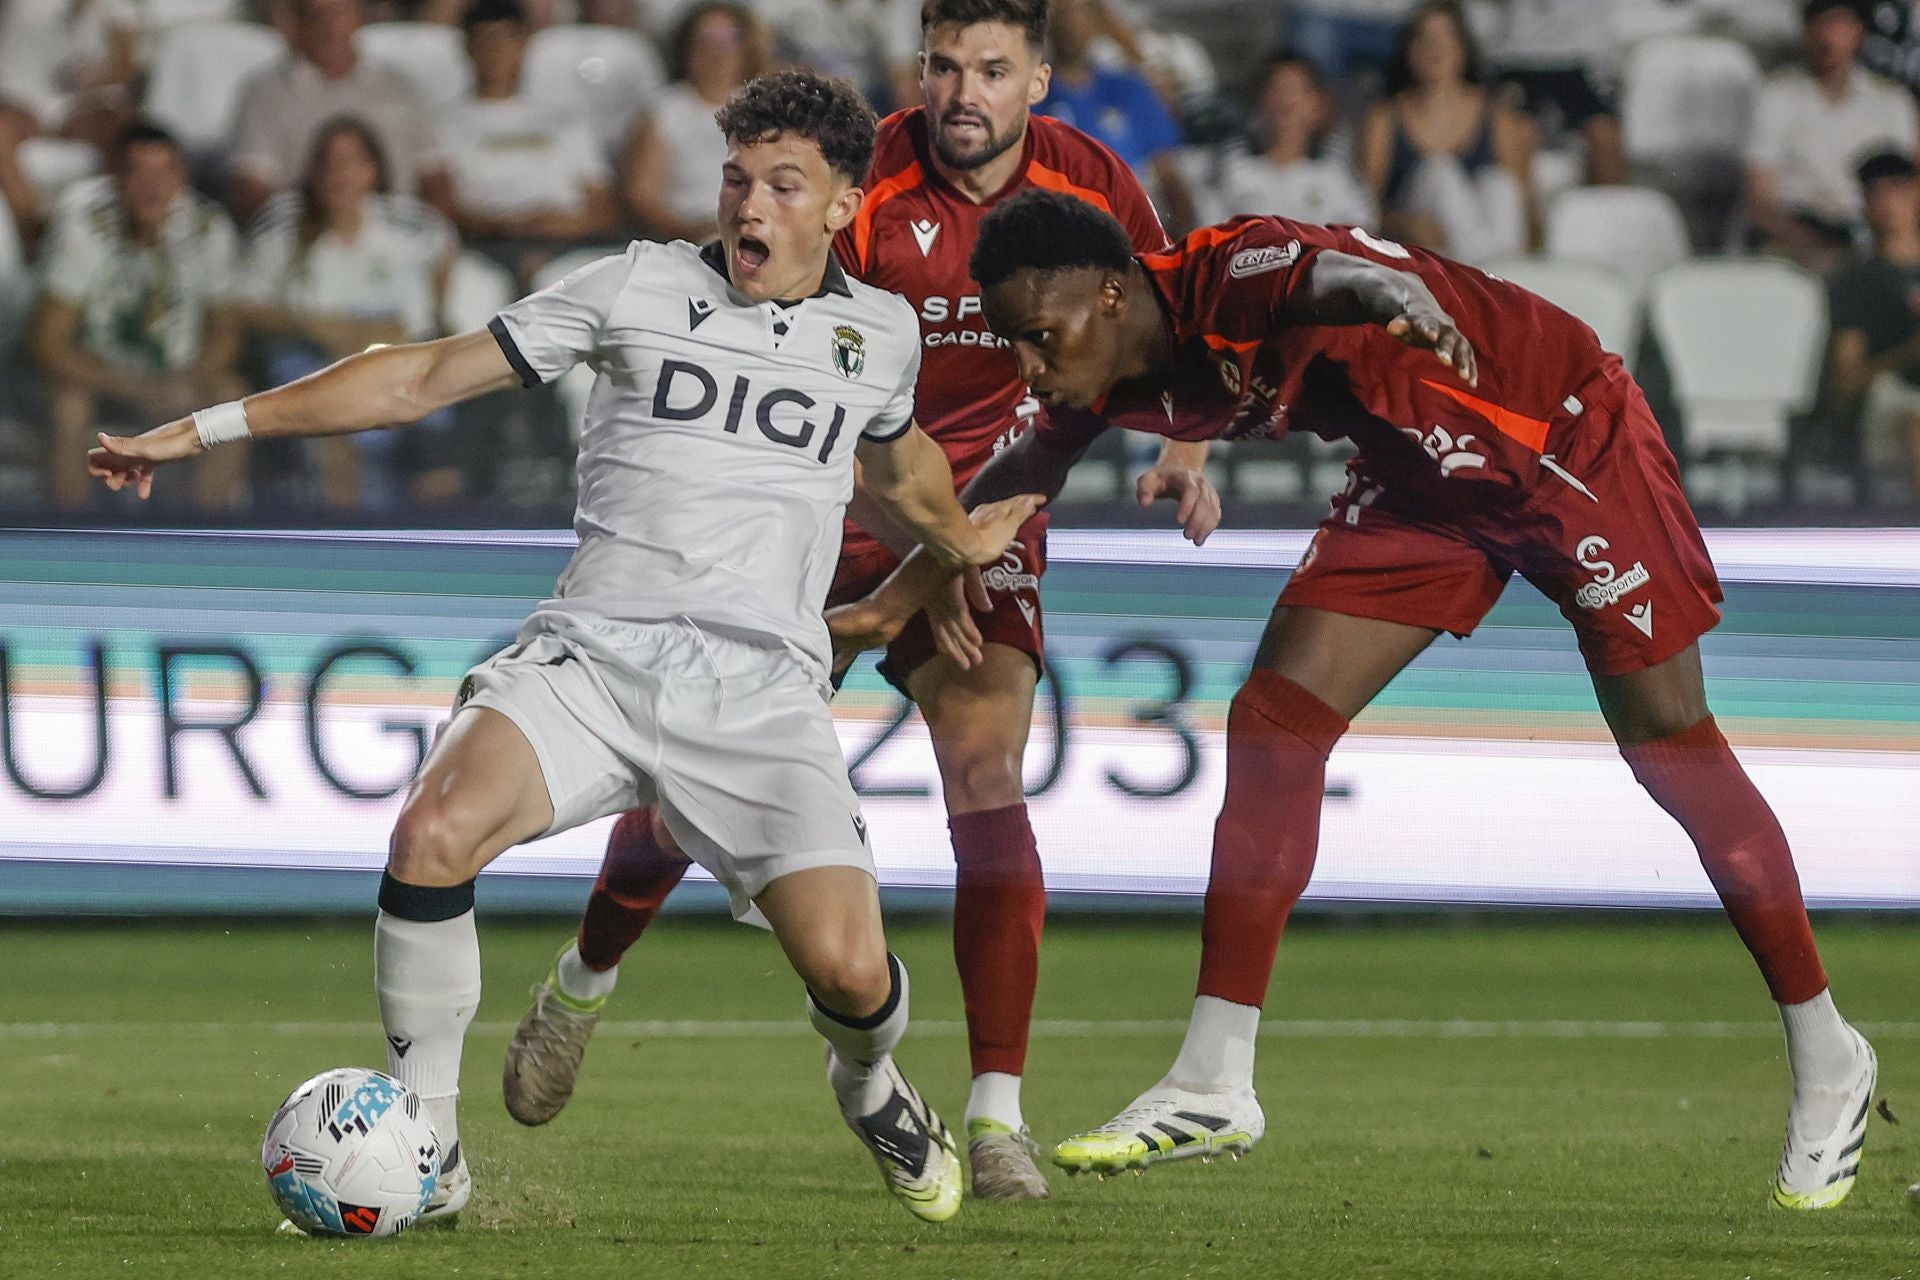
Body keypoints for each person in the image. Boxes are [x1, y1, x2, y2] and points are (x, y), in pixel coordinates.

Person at [88, 69, 1047, 1225]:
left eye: (782, 185)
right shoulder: (637, 284)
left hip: (758, 693)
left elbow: (898, 475)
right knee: (433, 830)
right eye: (736, 178)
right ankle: (431, 1148)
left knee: (851, 973)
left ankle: (869, 1080)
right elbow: (420, 376)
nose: (749, 205)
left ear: (844, 204)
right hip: (593, 656)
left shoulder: (878, 335)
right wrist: (201, 429)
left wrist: (953, 545)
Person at [840, 188, 1879, 1209]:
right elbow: (1022, 470)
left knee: (1670, 746)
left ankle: (1829, 1051)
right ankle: (1214, 1078)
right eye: (1014, 341)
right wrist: (896, 605)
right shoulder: (1105, 380)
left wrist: (1388, 288)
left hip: (1560, 438)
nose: (1027, 364)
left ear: (1111, 295)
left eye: (1038, 336)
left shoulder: (1224, 272)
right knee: (1275, 720)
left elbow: (1320, 273)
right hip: (1423, 482)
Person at [498, 0, 1216, 1203]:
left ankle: (997, 1119)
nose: (961, 91)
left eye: (991, 67)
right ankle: (582, 981)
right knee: (687, 792)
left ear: (1041, 75)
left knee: (987, 768)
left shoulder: (1096, 186)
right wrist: (898, 539)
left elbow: (1156, 328)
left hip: (983, 514)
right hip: (821, 504)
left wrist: (1182, 451)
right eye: (942, 65)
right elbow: (773, 343)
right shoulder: (860, 182)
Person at [237, 117, 462, 511]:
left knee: (435, 419)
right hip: (311, 362)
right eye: (328, 163)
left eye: (349, 162)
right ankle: (342, 544)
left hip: (397, 359)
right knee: (329, 412)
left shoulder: (406, 231)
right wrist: (316, 327)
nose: (337, 174)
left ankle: (436, 550)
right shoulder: (283, 231)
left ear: (371, 171)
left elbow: (424, 307)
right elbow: (245, 307)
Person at [31, 121, 244, 512]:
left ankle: (204, 540)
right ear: (116, 177)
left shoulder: (209, 229)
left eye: (166, 171)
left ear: (183, 179)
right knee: (68, 405)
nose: (153, 185)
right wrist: (133, 387)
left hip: (181, 381)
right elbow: (48, 343)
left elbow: (226, 334)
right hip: (98, 380)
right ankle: (70, 539)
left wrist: (183, 381)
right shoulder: (82, 226)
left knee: (229, 398)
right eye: (138, 172)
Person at [435, 0, 620, 272]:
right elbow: (441, 209)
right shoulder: (445, 123)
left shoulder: (566, 119)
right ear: (466, 47)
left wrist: (565, 226)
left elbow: (603, 207)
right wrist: (512, 226)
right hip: (487, 248)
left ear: (524, 45)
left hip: (569, 244)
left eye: (507, 39)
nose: (497, 50)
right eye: (486, 40)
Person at [228, 0, 450, 224]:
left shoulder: (399, 86)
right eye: (316, 14)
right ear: (295, 21)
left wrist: (427, 236)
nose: (330, 25)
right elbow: (251, 187)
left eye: (340, 12)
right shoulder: (265, 93)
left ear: (361, 16)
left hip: (400, 237)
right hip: (305, 240)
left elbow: (434, 175)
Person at [1748, 0, 1919, 275]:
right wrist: (1813, 245)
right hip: (1801, 234)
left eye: (1839, 25)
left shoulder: (1891, 100)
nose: (1828, 37)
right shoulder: (1778, 96)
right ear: (1805, 33)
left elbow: (1910, 188)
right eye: (1820, 26)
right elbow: (1760, 200)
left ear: (1859, 32)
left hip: (1873, 234)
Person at [1356, 0, 1533, 265]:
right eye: (1424, 38)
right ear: (1409, 50)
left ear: (1463, 47)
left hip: (1481, 245)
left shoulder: (1496, 117)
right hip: (1415, 252)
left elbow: (1526, 211)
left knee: (1500, 185)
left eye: (1445, 35)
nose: (1434, 48)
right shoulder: (1385, 118)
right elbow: (1363, 208)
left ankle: (1490, 280)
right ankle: (1493, 287)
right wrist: (1403, 224)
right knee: (1439, 172)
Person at [1037, 0, 1197, 233]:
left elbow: (1168, 174)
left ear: (1095, 23)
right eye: (1061, 15)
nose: (1069, 25)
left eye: (1077, 14)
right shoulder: (1033, 97)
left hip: (1132, 226)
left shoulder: (1130, 89)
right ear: (1047, 26)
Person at [621, 2, 767, 245]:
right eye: (704, 41)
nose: (715, 53)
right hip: (687, 238)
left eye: (726, 41)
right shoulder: (665, 111)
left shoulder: (764, 109)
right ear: (685, 49)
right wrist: (692, 233)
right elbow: (642, 196)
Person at [1825, 149, 1920, 499]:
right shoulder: (1856, 282)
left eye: (1898, 189)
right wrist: (1909, 353)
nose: (1888, 203)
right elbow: (1847, 384)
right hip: (1889, 400)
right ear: (1864, 204)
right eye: (1876, 194)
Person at [1213, 49, 1374, 226]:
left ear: (1318, 104)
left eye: (1297, 89)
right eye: (1276, 87)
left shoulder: (1337, 175)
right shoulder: (1235, 169)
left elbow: (1360, 232)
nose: (1287, 98)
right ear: (1260, 99)